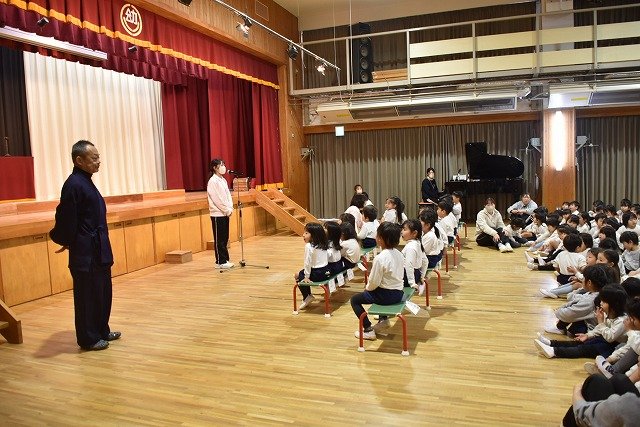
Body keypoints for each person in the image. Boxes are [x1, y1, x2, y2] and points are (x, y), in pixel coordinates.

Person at [49, 140, 120, 351]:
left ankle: (101, 330)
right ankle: (88, 338)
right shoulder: (73, 184)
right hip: (86, 251)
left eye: (99, 158)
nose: (98, 162)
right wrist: (66, 240)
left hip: (99, 249)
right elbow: (66, 217)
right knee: (87, 296)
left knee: (103, 292)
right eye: (94, 158)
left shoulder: (86, 181)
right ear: (79, 160)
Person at [535, 284, 628, 359]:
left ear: (614, 304)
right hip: (604, 340)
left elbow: (610, 337)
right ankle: (551, 343)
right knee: (579, 342)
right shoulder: (610, 314)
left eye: (604, 302)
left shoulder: (622, 320)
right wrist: (588, 335)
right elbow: (600, 330)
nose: (600, 303)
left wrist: (600, 322)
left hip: (613, 347)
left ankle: (554, 351)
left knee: (583, 349)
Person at [350, 222, 405, 340]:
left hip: (386, 296)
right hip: (399, 293)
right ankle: (383, 319)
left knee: (355, 300)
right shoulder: (399, 254)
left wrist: (367, 289)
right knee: (380, 287)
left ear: (381, 239)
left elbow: (374, 282)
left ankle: (368, 330)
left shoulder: (380, 258)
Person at [296, 222, 331, 310]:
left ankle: (307, 296)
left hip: (317, 274)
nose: (303, 235)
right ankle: (309, 295)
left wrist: (307, 276)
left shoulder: (308, 246)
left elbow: (307, 262)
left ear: (314, 235)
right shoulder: (324, 243)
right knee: (303, 273)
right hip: (326, 272)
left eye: (306, 233)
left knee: (298, 275)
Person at [207, 159, 234, 269]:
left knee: (225, 237)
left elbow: (228, 195)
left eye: (224, 164)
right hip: (218, 214)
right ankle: (220, 261)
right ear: (215, 168)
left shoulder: (223, 180)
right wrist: (226, 210)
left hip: (225, 213)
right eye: (221, 165)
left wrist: (230, 207)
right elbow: (217, 199)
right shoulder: (213, 181)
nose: (223, 167)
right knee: (219, 239)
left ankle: (225, 259)